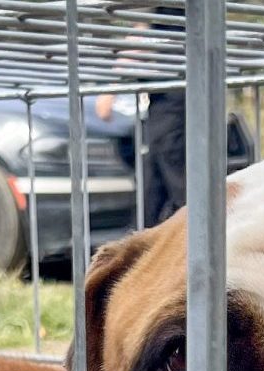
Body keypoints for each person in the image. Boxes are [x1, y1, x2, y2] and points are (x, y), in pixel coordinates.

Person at [95, 5, 186, 226]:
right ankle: (146, 242)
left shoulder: (167, 14)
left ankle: (195, 241)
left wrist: (111, 89)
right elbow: (142, 28)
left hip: (172, 102)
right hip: (169, 100)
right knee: (154, 186)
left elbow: (141, 33)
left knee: (177, 184)